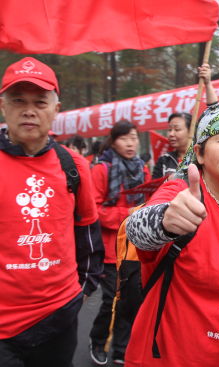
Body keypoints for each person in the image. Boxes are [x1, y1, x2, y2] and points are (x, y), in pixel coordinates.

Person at [123, 63, 219, 366]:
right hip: (172, 357)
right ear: (201, 154)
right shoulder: (182, 192)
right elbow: (135, 229)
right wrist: (165, 221)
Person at [0, 57, 104, 367]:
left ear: (56, 110)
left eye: (40, 102)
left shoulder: (74, 166)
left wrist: (79, 296)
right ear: (4, 106)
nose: (29, 110)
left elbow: (89, 237)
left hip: (57, 316)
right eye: (18, 100)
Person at [89, 120, 151, 366]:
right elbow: (93, 210)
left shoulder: (142, 168)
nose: (130, 143)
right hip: (108, 248)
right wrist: (126, 215)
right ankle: (97, 340)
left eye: (134, 138)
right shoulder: (101, 169)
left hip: (136, 248)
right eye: (125, 138)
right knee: (109, 301)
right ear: (114, 141)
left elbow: (147, 203)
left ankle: (121, 348)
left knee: (130, 299)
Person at [152, 112, 192, 179]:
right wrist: (168, 180)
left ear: (191, 131)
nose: (171, 134)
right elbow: (154, 186)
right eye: (170, 130)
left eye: (177, 129)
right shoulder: (164, 159)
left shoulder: (201, 157)